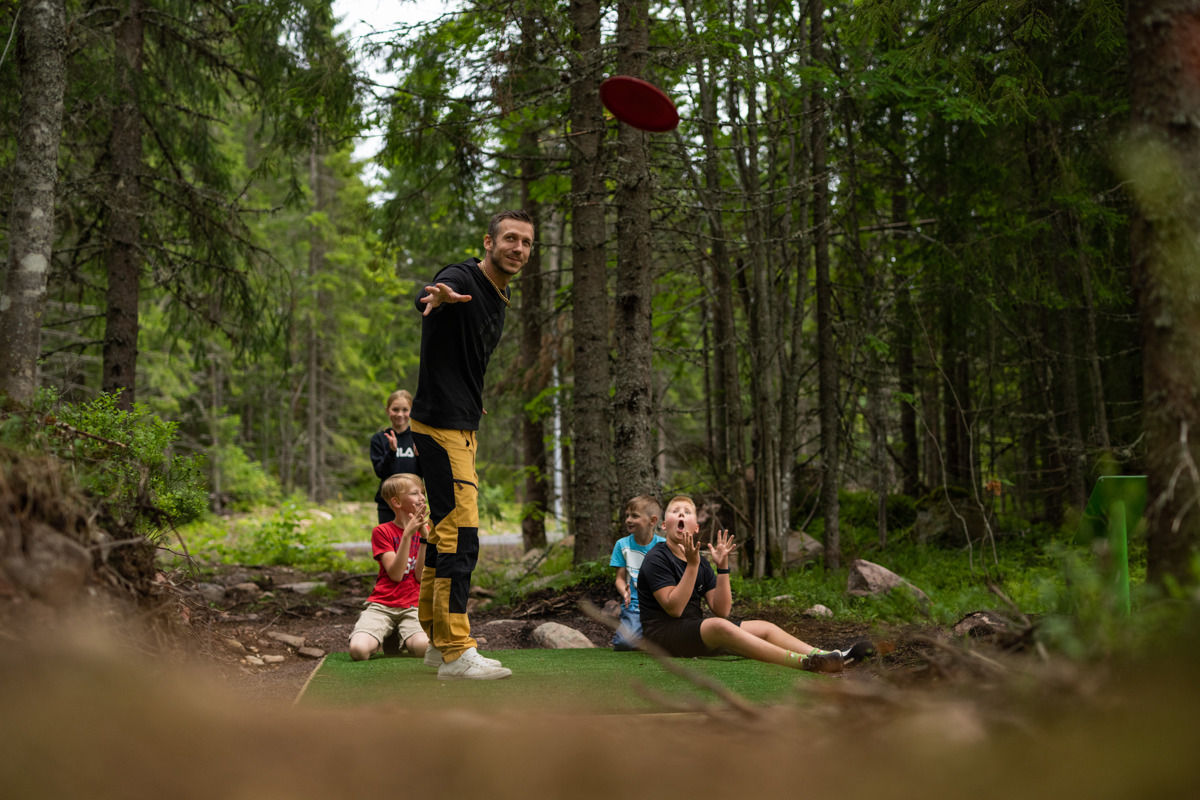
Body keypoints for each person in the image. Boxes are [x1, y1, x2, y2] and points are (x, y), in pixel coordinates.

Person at [410, 209, 535, 681]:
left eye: (525, 242)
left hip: (459, 422)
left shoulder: (500, 295)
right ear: (488, 241)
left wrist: (471, 397)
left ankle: (436, 643)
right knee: (462, 536)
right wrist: (435, 296)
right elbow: (431, 294)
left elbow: (466, 356)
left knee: (444, 534)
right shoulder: (461, 277)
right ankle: (457, 650)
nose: (517, 248)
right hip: (441, 427)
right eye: (509, 239)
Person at [637, 495, 850, 672]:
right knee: (719, 626)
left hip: (692, 633)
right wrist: (691, 566)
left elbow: (722, 609)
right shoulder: (657, 558)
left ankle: (827, 655)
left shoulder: (701, 563)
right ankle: (804, 662)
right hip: (663, 638)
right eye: (675, 511)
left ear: (695, 527)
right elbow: (674, 609)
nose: (681, 513)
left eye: (687, 511)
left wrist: (722, 568)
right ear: (664, 525)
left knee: (765, 628)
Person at [348, 473, 431, 661]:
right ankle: (381, 637)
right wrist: (407, 536)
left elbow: (420, 576)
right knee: (358, 651)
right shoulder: (382, 531)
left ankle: (403, 636)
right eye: (414, 493)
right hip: (382, 604)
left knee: (424, 648)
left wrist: (425, 538)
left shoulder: (428, 530)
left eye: (422, 492)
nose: (421, 497)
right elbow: (396, 575)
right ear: (397, 502)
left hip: (413, 605)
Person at [610, 495, 665, 651]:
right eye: (627, 515)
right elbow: (619, 579)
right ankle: (630, 631)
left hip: (660, 607)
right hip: (635, 606)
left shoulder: (663, 546)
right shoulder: (622, 545)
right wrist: (624, 592)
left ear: (652, 521)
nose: (628, 519)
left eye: (634, 516)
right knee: (624, 644)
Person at [369, 389, 419, 524]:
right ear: (387, 411)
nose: (400, 414)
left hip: (413, 503)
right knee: (389, 544)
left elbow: (423, 474)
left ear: (412, 411)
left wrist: (419, 457)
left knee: (413, 543)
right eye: (395, 409)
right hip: (387, 503)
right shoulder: (380, 439)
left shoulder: (417, 438)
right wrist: (391, 452)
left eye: (405, 410)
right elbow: (381, 472)